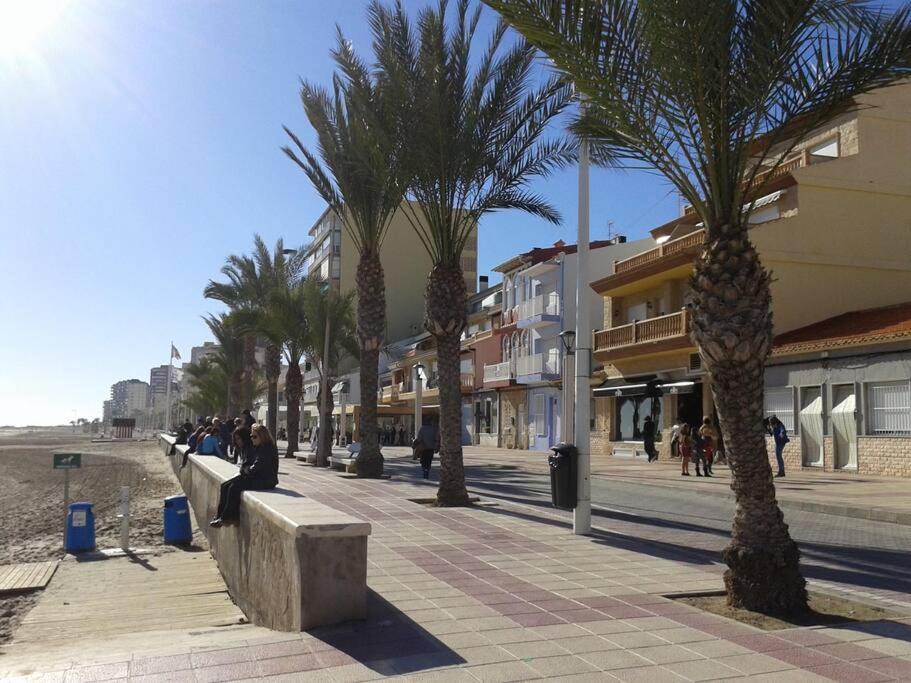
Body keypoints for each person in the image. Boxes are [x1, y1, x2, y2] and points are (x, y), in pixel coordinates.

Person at [210, 424, 279, 527]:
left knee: (234, 487)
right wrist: (246, 471)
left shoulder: (267, 449)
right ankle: (221, 516)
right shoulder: (259, 447)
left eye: (255, 436)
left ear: (262, 436)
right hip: (256, 476)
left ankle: (228, 518)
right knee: (225, 485)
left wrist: (247, 471)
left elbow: (258, 465)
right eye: (251, 436)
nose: (252, 439)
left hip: (266, 480)